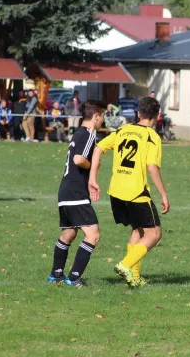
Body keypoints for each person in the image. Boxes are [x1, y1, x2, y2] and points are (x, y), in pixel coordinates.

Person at [89, 97, 169, 288]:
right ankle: (125, 265)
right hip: (135, 191)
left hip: (116, 190)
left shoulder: (122, 130)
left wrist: (93, 177)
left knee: (138, 229)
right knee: (155, 233)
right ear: (157, 117)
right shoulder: (152, 136)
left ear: (139, 113)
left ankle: (134, 277)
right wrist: (164, 194)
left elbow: (99, 148)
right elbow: (152, 167)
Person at [47, 99, 107, 287]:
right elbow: (79, 159)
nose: (103, 120)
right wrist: (93, 166)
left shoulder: (77, 134)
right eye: (103, 116)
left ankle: (55, 275)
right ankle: (73, 278)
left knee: (69, 234)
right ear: (96, 116)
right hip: (75, 192)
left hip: (65, 191)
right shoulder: (89, 134)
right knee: (93, 234)